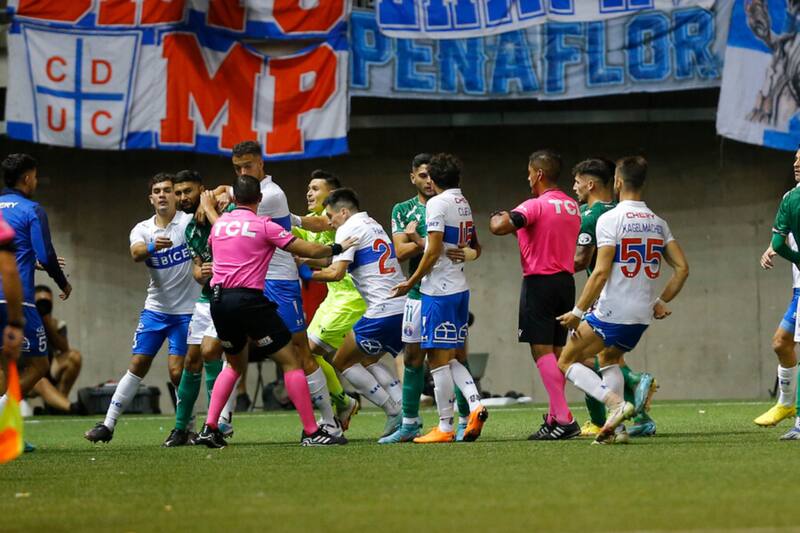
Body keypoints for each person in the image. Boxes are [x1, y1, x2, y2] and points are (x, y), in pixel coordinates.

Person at [195, 175, 353, 447]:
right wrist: (339, 246)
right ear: (259, 199)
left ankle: (210, 427)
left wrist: (210, 207)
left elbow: (217, 229)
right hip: (249, 301)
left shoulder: (219, 227)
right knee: (292, 360)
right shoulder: (263, 225)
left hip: (219, 301)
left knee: (232, 364)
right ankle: (313, 432)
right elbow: (309, 249)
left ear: (234, 199)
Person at [557, 156, 689, 444]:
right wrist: (661, 300)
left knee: (566, 361)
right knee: (609, 358)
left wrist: (578, 311)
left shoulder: (609, 219)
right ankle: (616, 431)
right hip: (641, 314)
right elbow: (682, 268)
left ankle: (616, 405)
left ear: (617, 182)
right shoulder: (658, 222)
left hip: (612, 310)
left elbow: (601, 271)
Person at [228, 141, 340, 434]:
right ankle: (220, 422)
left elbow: (230, 210)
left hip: (279, 281)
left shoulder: (271, 194)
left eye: (248, 166)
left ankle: (330, 421)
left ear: (261, 163)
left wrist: (211, 199)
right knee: (232, 351)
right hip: (250, 283)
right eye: (238, 168)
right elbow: (297, 221)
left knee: (300, 351)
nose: (243, 171)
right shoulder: (248, 194)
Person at [85, 173, 199, 443]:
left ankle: (187, 427)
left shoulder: (188, 222)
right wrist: (151, 247)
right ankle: (108, 425)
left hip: (187, 312)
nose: (162, 195)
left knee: (177, 371)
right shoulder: (143, 229)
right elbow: (136, 253)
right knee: (137, 364)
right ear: (151, 198)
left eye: (167, 190)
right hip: (156, 309)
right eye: (157, 191)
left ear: (176, 196)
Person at [392, 153, 487, 444]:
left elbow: (438, 251)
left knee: (440, 359)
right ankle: (471, 405)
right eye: (420, 176)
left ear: (434, 178)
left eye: (428, 176)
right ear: (414, 177)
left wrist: (410, 280)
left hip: (435, 289)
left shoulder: (437, 204)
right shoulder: (456, 201)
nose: (426, 181)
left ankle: (448, 425)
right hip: (452, 288)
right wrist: (421, 244)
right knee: (418, 356)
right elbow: (405, 250)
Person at [489, 149, 581, 440]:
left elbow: (501, 226)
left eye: (530, 172)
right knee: (556, 354)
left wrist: (497, 216)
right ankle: (555, 417)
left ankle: (564, 418)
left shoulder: (535, 205)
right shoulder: (571, 206)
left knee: (541, 352)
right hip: (566, 282)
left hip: (539, 283)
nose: (528, 178)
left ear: (539, 174)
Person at [305, 188, 405, 439]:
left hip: (381, 309)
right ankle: (406, 409)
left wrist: (304, 274)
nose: (329, 221)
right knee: (369, 360)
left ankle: (393, 412)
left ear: (344, 212)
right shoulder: (372, 223)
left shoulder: (347, 228)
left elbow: (336, 273)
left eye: (330, 216)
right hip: (401, 306)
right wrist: (306, 262)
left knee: (341, 361)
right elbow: (335, 260)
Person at [571, 158, 657, 438]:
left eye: (577, 181)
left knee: (576, 359)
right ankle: (635, 419)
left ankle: (619, 401)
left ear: (591, 183)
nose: (574, 187)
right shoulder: (626, 213)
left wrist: (547, 265)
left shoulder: (593, 215)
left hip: (604, 299)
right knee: (608, 357)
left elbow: (582, 261)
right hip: (637, 297)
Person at [0, 154, 71, 439]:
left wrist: (31, 261)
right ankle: (3, 412)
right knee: (40, 364)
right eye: (36, 176)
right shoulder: (31, 209)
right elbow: (46, 253)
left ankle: (8, 434)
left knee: (4, 366)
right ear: (28, 178)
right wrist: (62, 282)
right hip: (16, 298)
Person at [161, 170, 230, 447]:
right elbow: (197, 270)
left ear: (202, 189)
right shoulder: (190, 229)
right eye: (177, 193)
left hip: (229, 296)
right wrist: (201, 272)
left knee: (211, 353)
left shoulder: (225, 208)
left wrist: (213, 199)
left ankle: (214, 426)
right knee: (191, 361)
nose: (181, 198)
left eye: (187, 191)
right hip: (205, 298)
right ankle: (181, 428)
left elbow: (234, 188)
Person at [293, 170, 364, 430]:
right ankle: (346, 403)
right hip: (333, 297)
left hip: (351, 294)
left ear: (332, 196)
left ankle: (394, 409)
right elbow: (315, 254)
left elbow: (319, 227)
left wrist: (288, 218)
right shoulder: (308, 221)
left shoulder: (333, 219)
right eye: (308, 188)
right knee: (307, 354)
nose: (309, 193)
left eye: (315, 188)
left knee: (313, 354)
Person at [762, 146, 800, 438]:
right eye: (796, 158)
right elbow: (780, 240)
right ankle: (787, 403)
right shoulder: (791, 198)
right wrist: (772, 248)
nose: (796, 163)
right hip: (798, 289)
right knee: (781, 342)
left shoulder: (792, 199)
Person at [31, 285, 84, 415]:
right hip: (30, 374)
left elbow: (64, 348)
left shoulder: (57, 324)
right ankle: (71, 408)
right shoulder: (25, 323)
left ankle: (57, 404)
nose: (43, 306)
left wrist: (48, 325)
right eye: (40, 302)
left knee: (74, 356)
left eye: (47, 302)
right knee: (40, 381)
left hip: (49, 367)